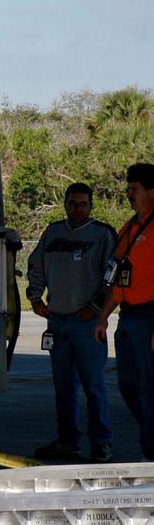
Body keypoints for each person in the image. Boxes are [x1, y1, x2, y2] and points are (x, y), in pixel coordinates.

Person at [28, 182, 117, 462]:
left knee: (94, 386)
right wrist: (34, 298)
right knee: (64, 388)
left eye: (83, 204)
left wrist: (96, 307)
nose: (77, 209)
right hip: (58, 322)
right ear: (64, 204)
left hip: (87, 324)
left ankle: (101, 443)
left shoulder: (102, 234)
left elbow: (113, 273)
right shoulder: (53, 232)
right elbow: (36, 265)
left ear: (91, 206)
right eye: (72, 203)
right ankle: (68, 441)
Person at [98, 163, 154, 460]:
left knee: (149, 387)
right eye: (128, 189)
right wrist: (104, 314)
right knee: (128, 385)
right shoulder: (129, 227)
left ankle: (151, 453)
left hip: (150, 315)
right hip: (128, 316)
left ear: (151, 191)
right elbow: (119, 275)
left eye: (135, 189)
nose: (129, 194)